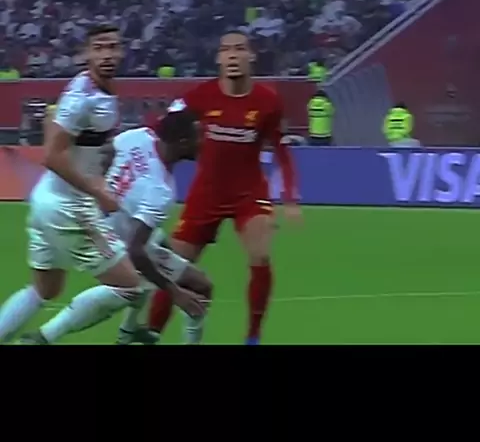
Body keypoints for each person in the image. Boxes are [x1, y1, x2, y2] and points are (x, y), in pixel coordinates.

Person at [0, 24, 200, 345]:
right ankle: (43, 339)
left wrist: (102, 158)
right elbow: (51, 156)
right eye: (99, 48)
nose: (106, 54)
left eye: (112, 47)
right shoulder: (85, 98)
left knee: (44, 289)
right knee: (131, 286)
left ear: (121, 51)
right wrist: (97, 191)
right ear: (86, 53)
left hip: (45, 198)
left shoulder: (93, 88)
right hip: (71, 208)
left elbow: (56, 127)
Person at [148, 29, 301, 345]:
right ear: (219, 58)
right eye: (227, 49)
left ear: (251, 56)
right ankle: (151, 335)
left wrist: (289, 197)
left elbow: (282, 151)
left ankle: (253, 336)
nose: (233, 55)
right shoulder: (200, 96)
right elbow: (164, 129)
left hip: (249, 194)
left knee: (260, 255)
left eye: (240, 49)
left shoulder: (268, 101)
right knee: (171, 267)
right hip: (206, 194)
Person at [29, 108, 211, 346]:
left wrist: (103, 186)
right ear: (183, 142)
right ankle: (45, 336)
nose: (203, 142)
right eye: (199, 137)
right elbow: (137, 251)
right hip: (110, 237)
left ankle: (127, 332)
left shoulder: (141, 136)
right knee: (134, 285)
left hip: (93, 217)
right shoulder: (161, 191)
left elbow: (106, 151)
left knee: (187, 280)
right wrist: (175, 293)